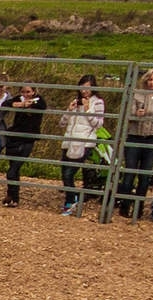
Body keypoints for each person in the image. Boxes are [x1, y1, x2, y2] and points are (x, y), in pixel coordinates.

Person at [58, 74, 105, 216]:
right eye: (82, 87)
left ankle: (70, 201)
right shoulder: (75, 101)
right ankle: (72, 197)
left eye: (88, 88)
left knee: (69, 172)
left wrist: (87, 110)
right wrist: (69, 110)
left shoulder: (98, 102)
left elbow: (98, 124)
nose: (84, 91)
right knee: (64, 172)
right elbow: (62, 123)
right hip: (69, 140)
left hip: (84, 142)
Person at [117, 67, 153, 219]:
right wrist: (136, 114)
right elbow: (126, 114)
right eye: (150, 79)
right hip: (135, 136)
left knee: (145, 174)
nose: (152, 83)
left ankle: (139, 208)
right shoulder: (137, 94)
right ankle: (125, 206)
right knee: (130, 172)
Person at [0, 82, 47, 208]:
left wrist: (27, 105)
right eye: (23, 92)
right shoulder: (19, 99)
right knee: (14, 169)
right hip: (15, 137)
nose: (25, 95)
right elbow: (6, 104)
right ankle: (13, 197)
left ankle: (12, 196)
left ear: (34, 92)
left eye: (28, 92)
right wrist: (19, 104)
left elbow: (42, 106)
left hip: (28, 138)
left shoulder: (39, 101)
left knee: (12, 170)